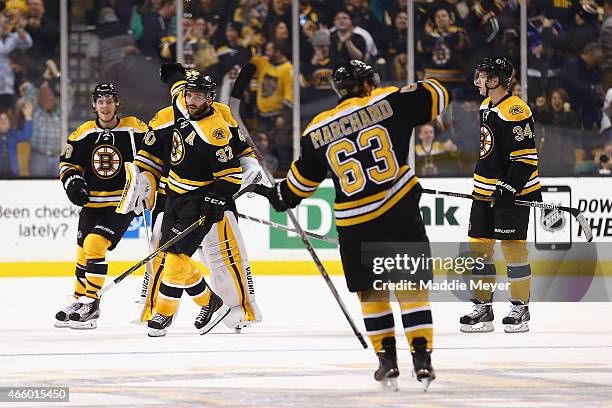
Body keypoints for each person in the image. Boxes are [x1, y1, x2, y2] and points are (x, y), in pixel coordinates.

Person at [259, 59, 451, 390]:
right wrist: (404, 89)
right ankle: (422, 360)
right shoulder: (389, 100)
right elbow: (438, 93)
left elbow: (295, 190)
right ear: (366, 84)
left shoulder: (316, 130)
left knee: (372, 292)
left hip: (357, 223)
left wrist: (274, 194)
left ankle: (387, 362)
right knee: (411, 289)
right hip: (400, 210)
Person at [118, 64, 264, 336]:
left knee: (221, 254)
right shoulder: (170, 112)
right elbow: (149, 157)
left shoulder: (217, 123)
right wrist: (142, 180)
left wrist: (248, 165)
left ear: (210, 97)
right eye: (187, 93)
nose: (190, 99)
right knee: (166, 253)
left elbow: (234, 160)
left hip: (206, 195)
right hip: (172, 195)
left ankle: (236, 308)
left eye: (197, 95)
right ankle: (203, 302)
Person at [55, 83, 148, 329]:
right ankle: (78, 299)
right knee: (83, 252)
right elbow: (67, 163)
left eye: (109, 101)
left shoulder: (135, 128)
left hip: (121, 203)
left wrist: (149, 186)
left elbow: (154, 155)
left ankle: (92, 305)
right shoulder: (83, 133)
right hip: (92, 203)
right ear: (94, 105)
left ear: (117, 104)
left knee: (95, 244)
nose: (105, 106)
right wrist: (74, 183)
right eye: (100, 101)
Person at [459, 57, 542, 334]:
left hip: (512, 192)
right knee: (479, 248)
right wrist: (486, 186)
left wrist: (508, 188)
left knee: (513, 248)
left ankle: (520, 306)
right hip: (483, 190)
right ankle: (483, 307)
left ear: (496, 80)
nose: (479, 80)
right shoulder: (486, 106)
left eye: (483, 75)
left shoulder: (516, 109)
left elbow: (526, 158)